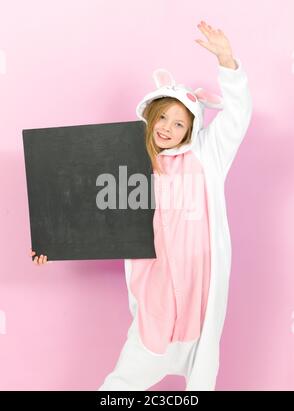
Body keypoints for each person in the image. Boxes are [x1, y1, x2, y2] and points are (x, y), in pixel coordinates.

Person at [30, 20, 253, 391]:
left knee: (201, 381)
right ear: (150, 116)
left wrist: (227, 62)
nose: (167, 127)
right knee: (121, 384)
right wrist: (51, 243)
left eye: (179, 123)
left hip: (202, 297)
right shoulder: (129, 164)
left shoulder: (207, 158)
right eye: (162, 117)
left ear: (191, 129)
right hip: (156, 300)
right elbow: (90, 214)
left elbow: (237, 117)